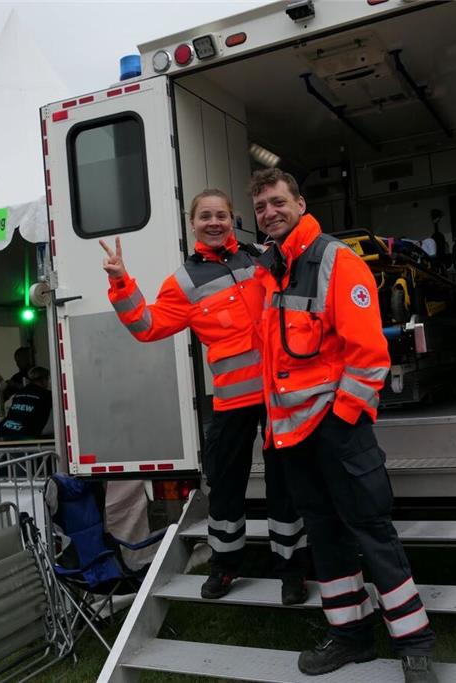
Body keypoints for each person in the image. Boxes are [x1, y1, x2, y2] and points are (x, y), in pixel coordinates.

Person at [250, 169, 437, 682]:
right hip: (293, 438)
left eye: (277, 201)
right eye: (262, 206)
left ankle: (414, 643)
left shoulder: (335, 260)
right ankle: (350, 637)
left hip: (337, 429)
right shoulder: (271, 272)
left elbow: (370, 356)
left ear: (300, 203)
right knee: (325, 537)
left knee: (372, 532)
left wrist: (340, 419)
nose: (269, 211)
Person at [100, 188, 308, 605]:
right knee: (225, 487)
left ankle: (292, 571)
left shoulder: (260, 258)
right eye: (205, 217)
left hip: (278, 395)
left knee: (286, 484)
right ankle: (225, 565)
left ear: (233, 221)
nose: (214, 223)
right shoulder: (184, 281)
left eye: (222, 216)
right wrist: (121, 280)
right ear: (192, 223)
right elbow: (146, 325)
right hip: (232, 404)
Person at [0, 366, 52, 439]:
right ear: (44, 380)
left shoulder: (19, 393)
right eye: (48, 379)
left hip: (3, 432)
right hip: (25, 436)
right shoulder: (47, 395)